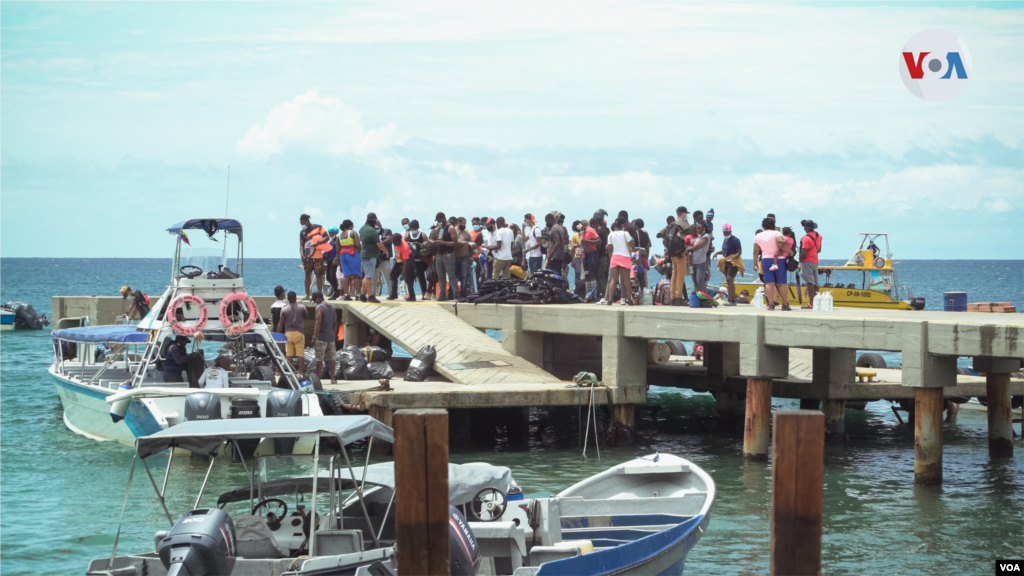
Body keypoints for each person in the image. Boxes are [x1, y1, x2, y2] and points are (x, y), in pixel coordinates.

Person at [753, 218, 792, 311]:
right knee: (782, 283)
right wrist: (790, 252)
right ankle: (785, 304)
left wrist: (754, 263)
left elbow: (755, 252)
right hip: (779, 259)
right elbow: (781, 243)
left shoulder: (758, 236)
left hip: (765, 259)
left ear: (763, 226)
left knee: (769, 283)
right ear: (773, 225)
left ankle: (771, 304)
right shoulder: (777, 233)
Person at [601, 218, 635, 305]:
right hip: (625, 256)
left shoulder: (610, 235)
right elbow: (631, 244)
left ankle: (609, 300)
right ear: (622, 225)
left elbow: (609, 248)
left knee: (613, 279)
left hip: (615, 257)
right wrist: (633, 252)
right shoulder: (625, 233)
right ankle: (630, 300)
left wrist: (611, 257)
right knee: (626, 280)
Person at [662, 206, 690, 306]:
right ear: (683, 213)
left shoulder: (671, 225)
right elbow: (682, 236)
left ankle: (672, 298)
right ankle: (679, 298)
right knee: (680, 276)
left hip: (672, 253)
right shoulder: (682, 223)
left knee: (674, 275)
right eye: (686, 213)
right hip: (680, 253)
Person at [299, 214, 331, 300]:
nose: (302, 225)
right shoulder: (302, 232)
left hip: (318, 257)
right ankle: (307, 295)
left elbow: (327, 237)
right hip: (307, 257)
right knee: (307, 275)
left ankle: (319, 295)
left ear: (307, 221)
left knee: (319, 275)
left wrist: (319, 243)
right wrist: (302, 255)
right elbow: (301, 245)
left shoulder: (319, 227)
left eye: (303, 222)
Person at [275, 290, 307, 373]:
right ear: (296, 298)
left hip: (288, 334)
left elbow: (281, 323)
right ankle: (300, 372)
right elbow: (306, 316)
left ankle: (291, 372)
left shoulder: (284, 309)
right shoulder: (302, 307)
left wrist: (278, 335)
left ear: (288, 299)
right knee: (300, 354)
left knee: (289, 355)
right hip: (299, 333)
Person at [359, 213, 387, 303]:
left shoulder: (362, 229)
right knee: (369, 277)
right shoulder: (372, 230)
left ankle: (362, 295)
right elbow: (379, 244)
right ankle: (371, 296)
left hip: (363, 254)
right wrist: (386, 250)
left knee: (367, 275)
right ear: (375, 219)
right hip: (370, 256)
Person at [713, 223, 743, 305]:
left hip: (733, 262)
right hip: (726, 262)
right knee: (729, 281)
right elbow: (725, 251)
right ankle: (732, 300)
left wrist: (733, 258)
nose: (725, 234)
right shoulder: (725, 240)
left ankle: (731, 300)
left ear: (730, 231)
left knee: (730, 279)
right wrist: (717, 253)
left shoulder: (735, 240)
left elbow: (739, 252)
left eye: (727, 232)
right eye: (724, 232)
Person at [311, 291, 337, 384]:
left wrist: (314, 337)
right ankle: (333, 378)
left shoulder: (319, 308)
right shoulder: (333, 307)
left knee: (319, 359)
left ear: (318, 298)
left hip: (321, 337)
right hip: (331, 337)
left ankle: (318, 379)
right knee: (332, 358)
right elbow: (335, 322)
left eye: (314, 300)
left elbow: (318, 323)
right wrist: (333, 334)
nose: (315, 302)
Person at [336, 220, 362, 301]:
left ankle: (346, 295)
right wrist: (360, 252)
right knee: (357, 275)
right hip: (352, 254)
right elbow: (357, 244)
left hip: (343, 256)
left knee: (346, 275)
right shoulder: (353, 233)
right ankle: (358, 295)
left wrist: (339, 262)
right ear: (351, 225)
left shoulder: (339, 236)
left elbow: (337, 250)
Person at [799, 220, 823, 309]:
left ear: (806, 227)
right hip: (815, 261)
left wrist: (798, 259)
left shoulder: (805, 238)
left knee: (810, 282)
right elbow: (819, 250)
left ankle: (811, 303)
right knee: (816, 282)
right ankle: (816, 302)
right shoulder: (819, 236)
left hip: (807, 261)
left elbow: (804, 253)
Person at [404, 220, 429, 297]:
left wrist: (419, 244)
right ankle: (411, 293)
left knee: (421, 277)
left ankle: (424, 293)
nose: (413, 229)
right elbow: (404, 246)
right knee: (409, 278)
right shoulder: (407, 235)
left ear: (418, 228)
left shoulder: (423, 235)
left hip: (420, 260)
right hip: (410, 260)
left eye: (415, 228)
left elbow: (428, 246)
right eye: (412, 228)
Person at [686, 223, 711, 294]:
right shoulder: (698, 237)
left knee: (700, 282)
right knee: (695, 282)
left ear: (704, 229)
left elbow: (699, 246)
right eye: (697, 229)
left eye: (699, 228)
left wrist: (690, 248)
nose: (698, 230)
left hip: (701, 262)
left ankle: (708, 299)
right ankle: (697, 299)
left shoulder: (706, 236)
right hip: (693, 262)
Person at [373, 220, 394, 299]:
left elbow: (389, 239)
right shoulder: (372, 233)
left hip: (385, 258)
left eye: (377, 228)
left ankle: (391, 293)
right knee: (373, 278)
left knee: (389, 277)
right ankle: (373, 294)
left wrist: (379, 244)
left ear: (380, 226)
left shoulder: (387, 231)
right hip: (375, 259)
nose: (376, 229)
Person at [392, 232, 416, 301]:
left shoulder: (405, 247)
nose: (394, 243)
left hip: (408, 261)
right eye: (393, 242)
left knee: (408, 279)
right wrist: (396, 260)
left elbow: (405, 262)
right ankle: (394, 294)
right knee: (393, 276)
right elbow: (396, 250)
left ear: (399, 240)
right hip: (399, 259)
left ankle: (412, 296)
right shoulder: (395, 242)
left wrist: (402, 274)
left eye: (395, 242)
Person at [581, 217, 601, 295]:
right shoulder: (583, 233)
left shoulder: (590, 230)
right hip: (585, 255)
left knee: (592, 275)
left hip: (592, 254)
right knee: (587, 275)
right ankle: (588, 293)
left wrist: (586, 241)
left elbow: (598, 241)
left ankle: (594, 293)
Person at [456, 217, 474, 298]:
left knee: (464, 276)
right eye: (463, 223)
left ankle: (463, 293)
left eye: (465, 223)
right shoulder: (454, 231)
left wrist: (471, 257)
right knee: (454, 276)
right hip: (455, 257)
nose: (464, 225)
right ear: (458, 223)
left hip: (465, 257)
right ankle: (454, 293)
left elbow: (471, 245)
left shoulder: (467, 233)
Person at [324, 227, 340, 299]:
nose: (331, 234)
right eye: (330, 233)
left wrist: (336, 259)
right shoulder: (330, 241)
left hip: (334, 261)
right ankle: (336, 289)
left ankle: (336, 292)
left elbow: (338, 250)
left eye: (332, 233)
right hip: (329, 260)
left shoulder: (336, 240)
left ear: (336, 233)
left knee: (332, 277)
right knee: (328, 277)